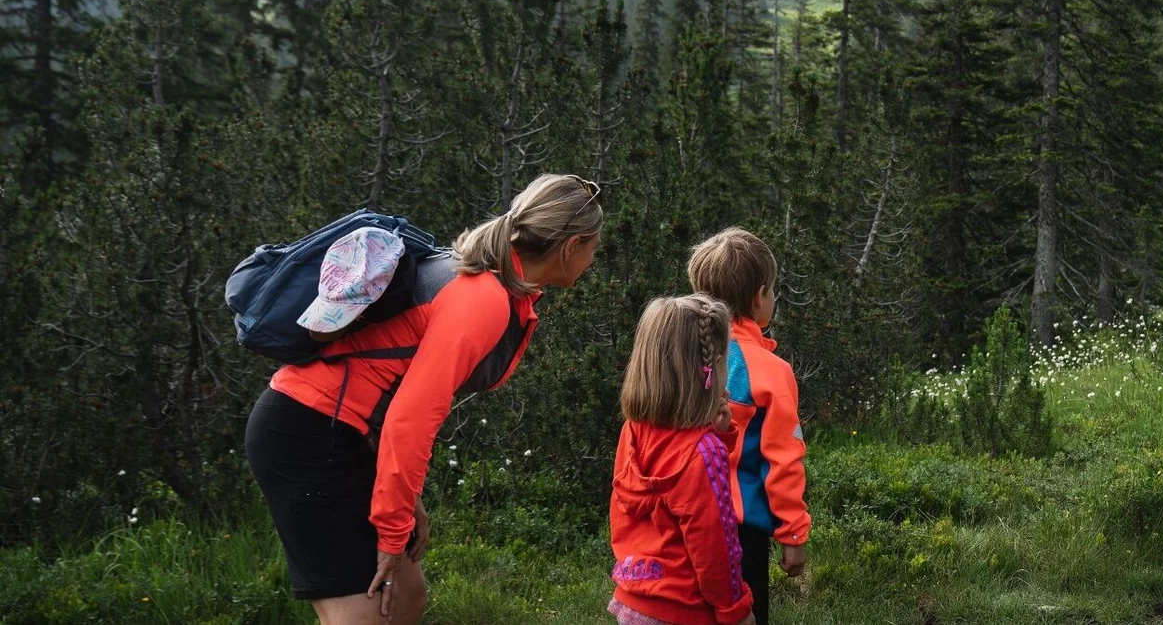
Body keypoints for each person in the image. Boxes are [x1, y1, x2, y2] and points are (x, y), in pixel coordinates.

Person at [245, 174, 604, 624]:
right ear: (571, 246)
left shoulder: (487, 284)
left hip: (344, 432)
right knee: (364, 613)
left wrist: (405, 503)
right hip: (308, 432)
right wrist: (391, 534)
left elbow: (389, 393)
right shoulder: (483, 298)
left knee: (406, 597)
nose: (593, 260)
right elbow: (410, 419)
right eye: (593, 248)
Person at [608, 294, 757, 625]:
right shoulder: (703, 453)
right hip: (685, 610)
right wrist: (736, 610)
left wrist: (717, 434)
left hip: (635, 601)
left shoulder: (633, 432)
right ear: (709, 371)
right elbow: (717, 547)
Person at [687, 228, 810, 625]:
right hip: (741, 532)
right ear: (760, 298)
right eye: (772, 291)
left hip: (682, 520)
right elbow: (783, 460)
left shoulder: (680, 355)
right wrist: (793, 533)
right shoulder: (772, 372)